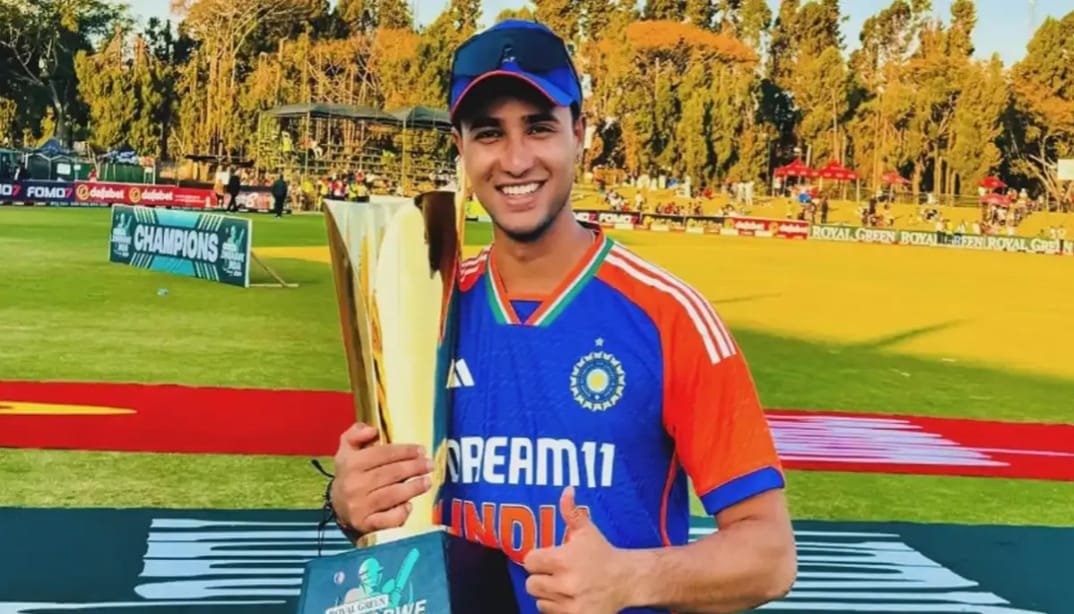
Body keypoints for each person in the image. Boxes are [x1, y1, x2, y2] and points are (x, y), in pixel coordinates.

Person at [327, 19, 795, 614]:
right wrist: (350, 503)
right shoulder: (426, 310)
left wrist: (631, 578)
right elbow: (387, 511)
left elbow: (771, 555)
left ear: (579, 134)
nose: (516, 160)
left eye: (540, 127)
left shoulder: (667, 315)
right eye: (490, 133)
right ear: (460, 146)